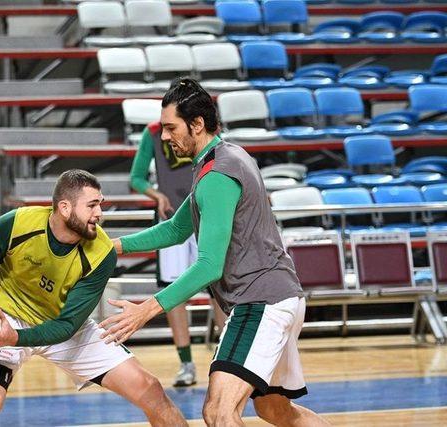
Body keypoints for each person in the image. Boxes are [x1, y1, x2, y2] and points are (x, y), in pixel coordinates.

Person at [100, 79, 331, 427]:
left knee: (218, 412)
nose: (164, 137)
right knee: (275, 409)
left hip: (260, 302)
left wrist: (146, 310)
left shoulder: (217, 174)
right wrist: (113, 246)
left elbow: (209, 265)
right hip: (279, 296)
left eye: (170, 128)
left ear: (197, 124)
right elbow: (177, 229)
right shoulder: (223, 158)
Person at [0, 169, 187, 427]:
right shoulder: (19, 222)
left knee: (151, 390)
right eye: (91, 206)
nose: (99, 214)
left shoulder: (102, 253)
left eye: (101, 204)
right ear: (65, 208)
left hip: (63, 326)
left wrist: (18, 338)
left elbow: (67, 325)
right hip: (5, 319)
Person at [130, 119, 226, 387]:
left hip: (208, 213)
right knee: (174, 292)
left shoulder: (207, 130)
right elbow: (136, 178)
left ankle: (225, 359)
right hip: (172, 214)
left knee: (218, 289)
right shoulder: (152, 133)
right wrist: (157, 196)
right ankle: (186, 364)